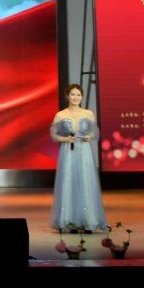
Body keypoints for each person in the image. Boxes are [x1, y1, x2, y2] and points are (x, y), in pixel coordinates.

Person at [49, 83, 106, 232]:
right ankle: (69, 220)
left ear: (82, 97)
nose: (76, 97)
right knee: (68, 181)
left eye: (78, 95)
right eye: (73, 94)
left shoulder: (88, 113)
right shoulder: (60, 114)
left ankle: (88, 220)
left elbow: (95, 132)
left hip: (84, 151)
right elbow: (53, 135)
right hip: (68, 151)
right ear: (67, 96)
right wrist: (65, 139)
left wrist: (89, 136)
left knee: (85, 181)